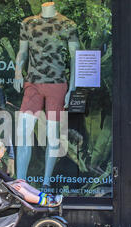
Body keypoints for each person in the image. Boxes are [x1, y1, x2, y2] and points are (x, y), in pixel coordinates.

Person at [14, 2, 79, 189]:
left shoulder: (67, 24)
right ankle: (20, 181)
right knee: (23, 133)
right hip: (33, 83)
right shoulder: (28, 23)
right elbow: (22, 52)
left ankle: (46, 182)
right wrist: (18, 73)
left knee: (53, 136)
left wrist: (71, 89)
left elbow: (75, 59)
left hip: (57, 84)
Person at [0, 135, 62, 207]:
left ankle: (45, 196)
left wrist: (13, 182)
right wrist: (11, 186)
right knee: (20, 189)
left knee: (21, 183)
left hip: (1, 191)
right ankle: (45, 201)